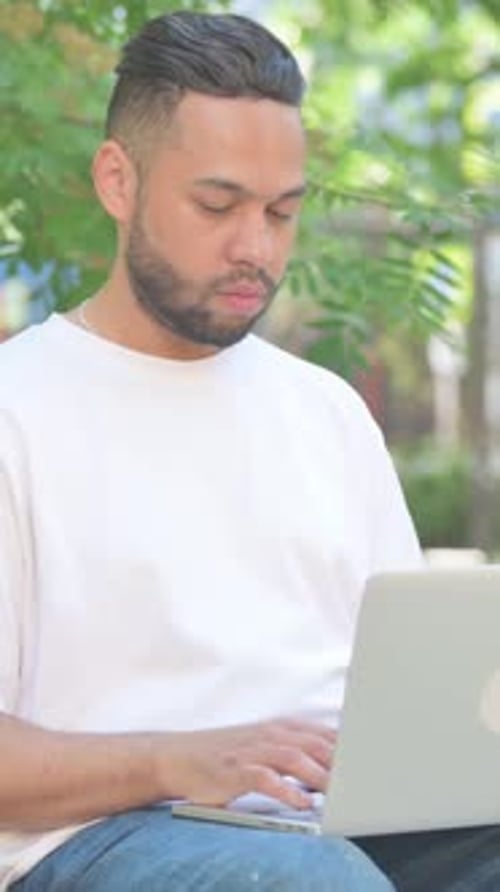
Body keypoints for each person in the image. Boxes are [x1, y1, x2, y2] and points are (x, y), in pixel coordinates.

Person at [1, 10, 497, 892]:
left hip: (342, 823)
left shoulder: (327, 413)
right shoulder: (19, 409)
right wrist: (181, 760)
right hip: (103, 838)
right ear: (117, 181)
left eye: (282, 212)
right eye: (217, 205)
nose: (254, 249)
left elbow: (415, 695)